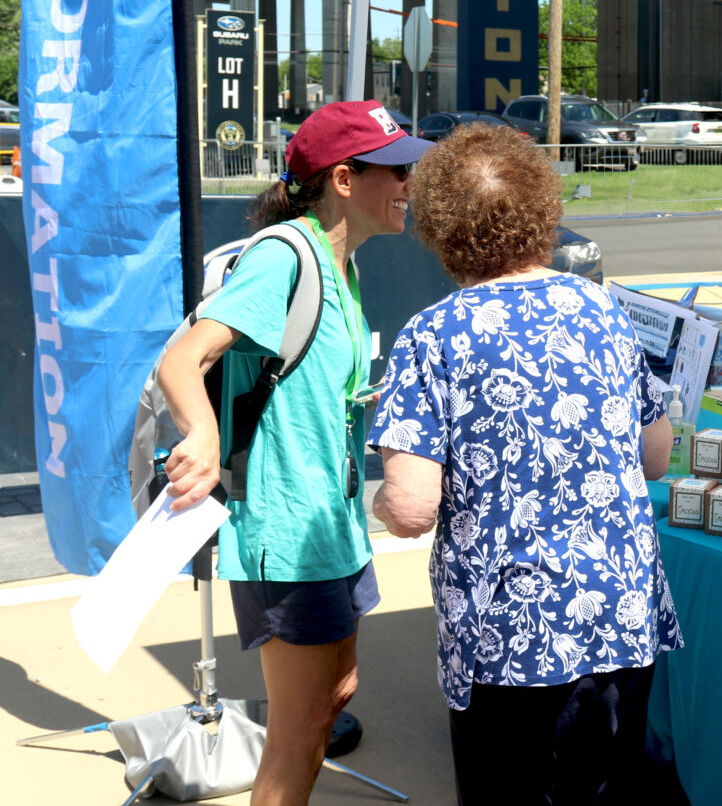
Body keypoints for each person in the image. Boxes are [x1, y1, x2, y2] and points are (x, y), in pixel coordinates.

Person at [367, 123, 680, 805]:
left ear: (444, 228)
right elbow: (657, 454)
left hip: (510, 635)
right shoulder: (601, 308)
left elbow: (412, 509)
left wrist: (380, 502)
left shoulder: (433, 334)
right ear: (542, 211)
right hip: (618, 614)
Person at [158, 100, 431, 806]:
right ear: (343, 179)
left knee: (334, 697)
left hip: (334, 529)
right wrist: (203, 435)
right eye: (396, 169)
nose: (409, 183)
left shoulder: (343, 265)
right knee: (299, 732)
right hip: (287, 535)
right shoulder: (284, 254)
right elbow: (182, 360)